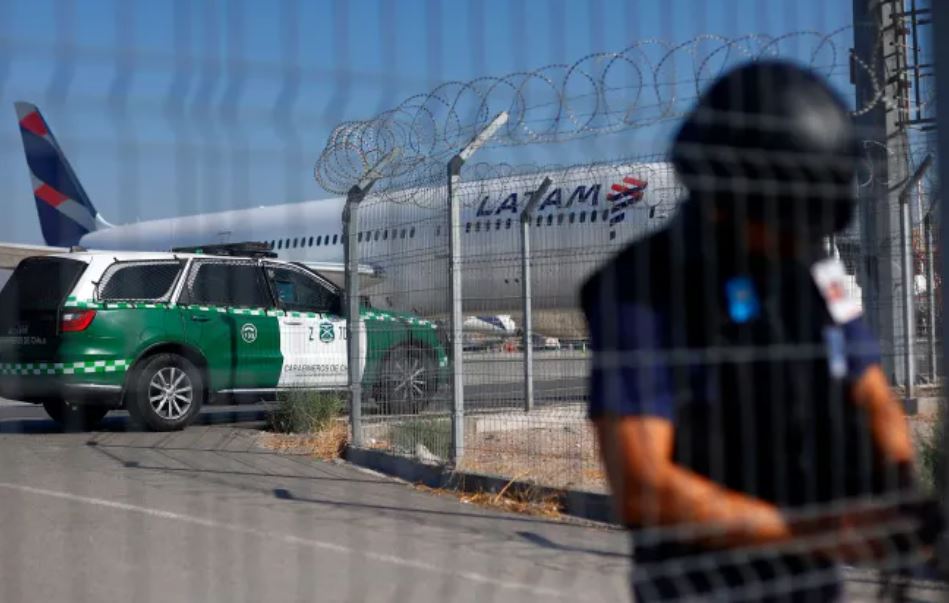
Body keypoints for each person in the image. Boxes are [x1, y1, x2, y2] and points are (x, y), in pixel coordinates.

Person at [582, 60, 941, 601]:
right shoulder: (641, 289)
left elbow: (871, 394)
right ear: (731, 197)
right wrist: (813, 533)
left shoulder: (810, 271)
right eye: (792, 219)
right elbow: (642, 484)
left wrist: (899, 491)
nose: (805, 241)